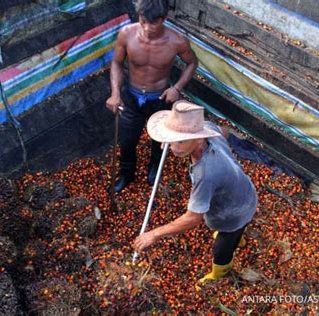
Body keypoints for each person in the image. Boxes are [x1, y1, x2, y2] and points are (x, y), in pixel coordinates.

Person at [133, 101, 258, 286]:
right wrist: (174, 138)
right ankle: (237, 238)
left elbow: (192, 218)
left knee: (222, 248)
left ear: (199, 139)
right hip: (243, 189)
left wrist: (154, 234)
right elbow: (222, 130)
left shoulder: (205, 174)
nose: (174, 147)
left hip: (235, 210)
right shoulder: (207, 129)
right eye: (171, 139)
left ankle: (220, 274)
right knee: (235, 231)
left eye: (180, 141)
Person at [106, 0, 198, 193]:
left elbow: (192, 63)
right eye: (143, 21)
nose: (147, 28)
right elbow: (116, 63)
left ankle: (154, 169)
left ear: (164, 19)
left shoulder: (177, 41)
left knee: (159, 140)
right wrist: (115, 93)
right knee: (127, 141)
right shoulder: (126, 34)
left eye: (153, 23)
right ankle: (127, 174)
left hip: (160, 98)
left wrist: (177, 88)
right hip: (132, 96)